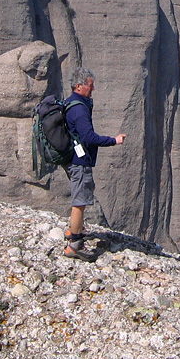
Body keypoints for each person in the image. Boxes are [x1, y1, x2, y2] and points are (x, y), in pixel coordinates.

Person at [62, 66, 125, 260]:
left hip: (72, 157)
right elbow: (88, 138)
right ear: (79, 86)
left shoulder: (70, 103)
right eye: (90, 85)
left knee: (80, 198)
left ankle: (74, 230)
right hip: (79, 161)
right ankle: (74, 245)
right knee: (80, 201)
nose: (93, 88)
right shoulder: (79, 109)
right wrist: (113, 140)